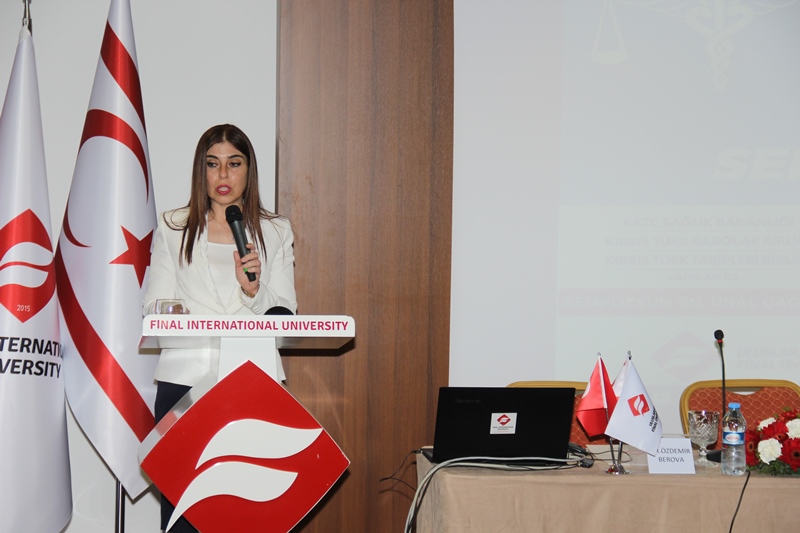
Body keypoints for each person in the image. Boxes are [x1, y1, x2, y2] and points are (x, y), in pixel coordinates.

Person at [142, 124, 297, 532]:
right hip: (184, 385)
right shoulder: (173, 226)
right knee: (184, 514)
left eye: (234, 163)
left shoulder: (276, 231)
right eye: (213, 164)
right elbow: (153, 307)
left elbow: (285, 315)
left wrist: (254, 291)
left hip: (253, 385)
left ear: (249, 170)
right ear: (202, 171)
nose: (223, 175)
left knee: (248, 514)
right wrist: (182, 315)